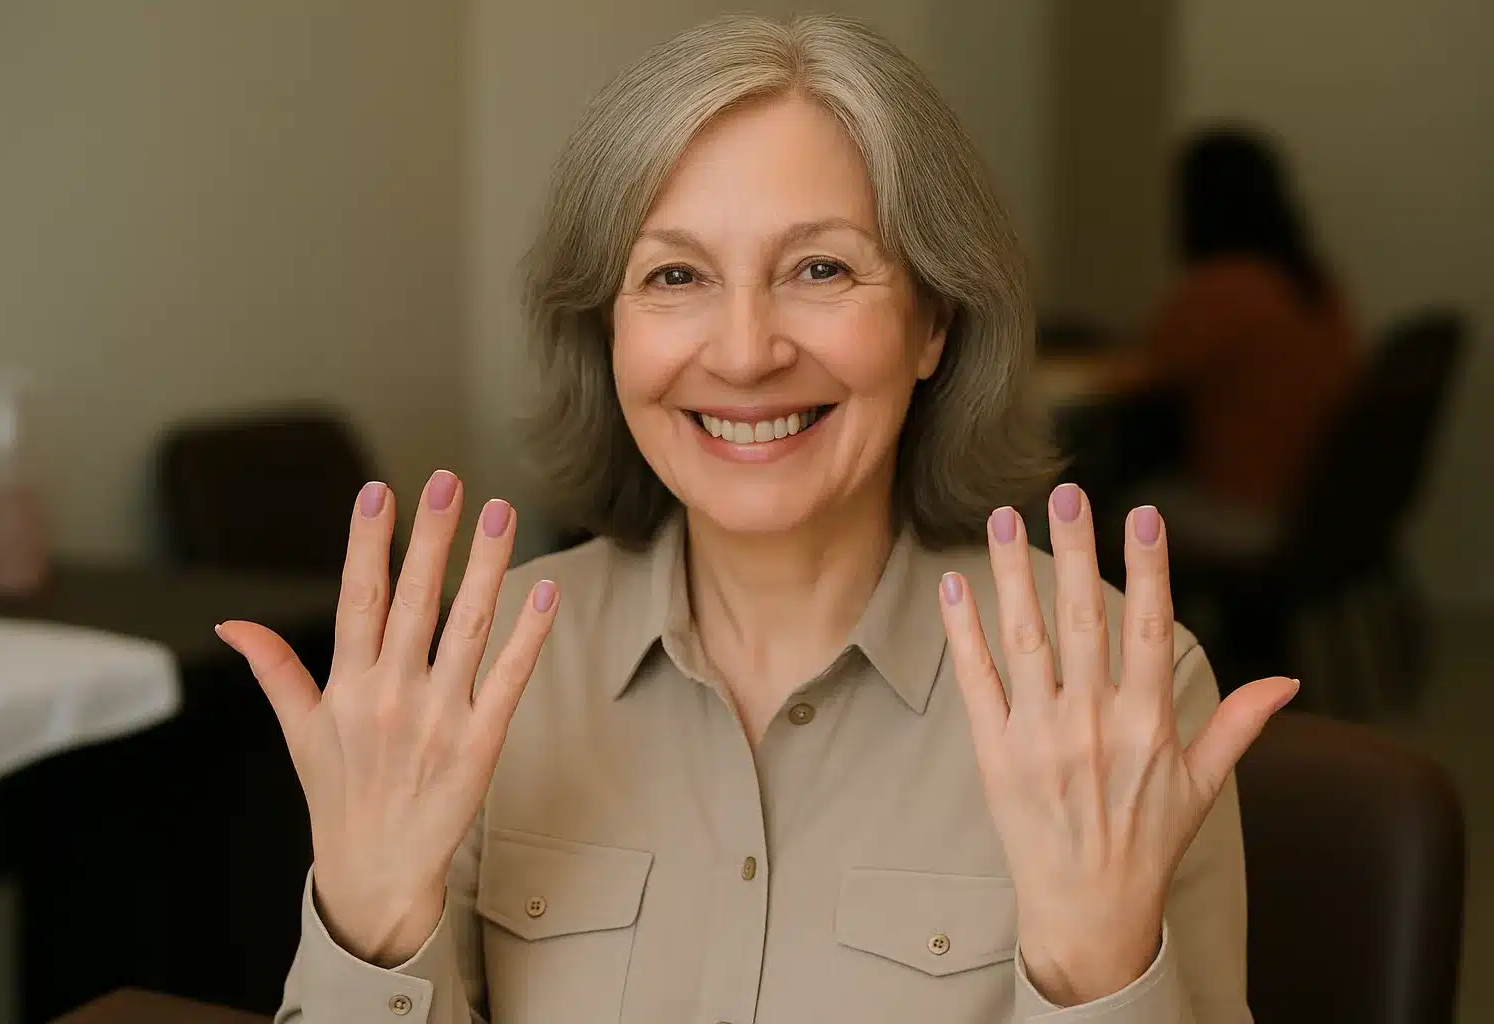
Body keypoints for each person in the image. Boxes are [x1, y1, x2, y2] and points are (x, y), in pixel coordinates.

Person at [217, 15, 1298, 1023]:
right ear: (607, 333)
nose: (743, 352)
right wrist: (368, 925)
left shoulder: (1113, 685)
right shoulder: (479, 664)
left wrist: (1099, 970)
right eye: (676, 274)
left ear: (932, 322)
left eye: (819, 267)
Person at [1097, 127, 1360, 559]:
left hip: (1248, 505)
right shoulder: (1312, 285)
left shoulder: (1224, 287)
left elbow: (1137, 375)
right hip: (1315, 502)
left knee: (1094, 506)